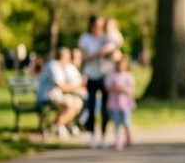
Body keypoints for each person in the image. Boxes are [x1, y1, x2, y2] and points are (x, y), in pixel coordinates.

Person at [77, 15, 114, 148]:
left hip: (105, 74)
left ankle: (104, 136)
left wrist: (109, 51)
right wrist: (98, 52)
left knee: (105, 107)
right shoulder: (85, 38)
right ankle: (92, 135)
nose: (99, 28)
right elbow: (83, 57)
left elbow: (114, 51)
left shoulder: (106, 38)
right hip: (91, 75)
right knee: (91, 106)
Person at [36, 47, 85, 137]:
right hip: (47, 95)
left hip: (56, 95)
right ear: (63, 56)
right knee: (70, 104)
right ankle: (57, 126)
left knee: (78, 103)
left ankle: (57, 125)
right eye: (68, 57)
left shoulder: (61, 67)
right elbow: (61, 86)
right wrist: (76, 88)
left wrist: (75, 87)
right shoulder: (53, 66)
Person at [104, 54, 136, 150]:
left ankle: (128, 136)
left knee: (126, 121)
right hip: (115, 103)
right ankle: (118, 140)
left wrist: (132, 99)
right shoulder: (112, 76)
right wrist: (117, 90)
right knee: (117, 122)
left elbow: (132, 89)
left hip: (125, 103)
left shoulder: (128, 76)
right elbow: (108, 88)